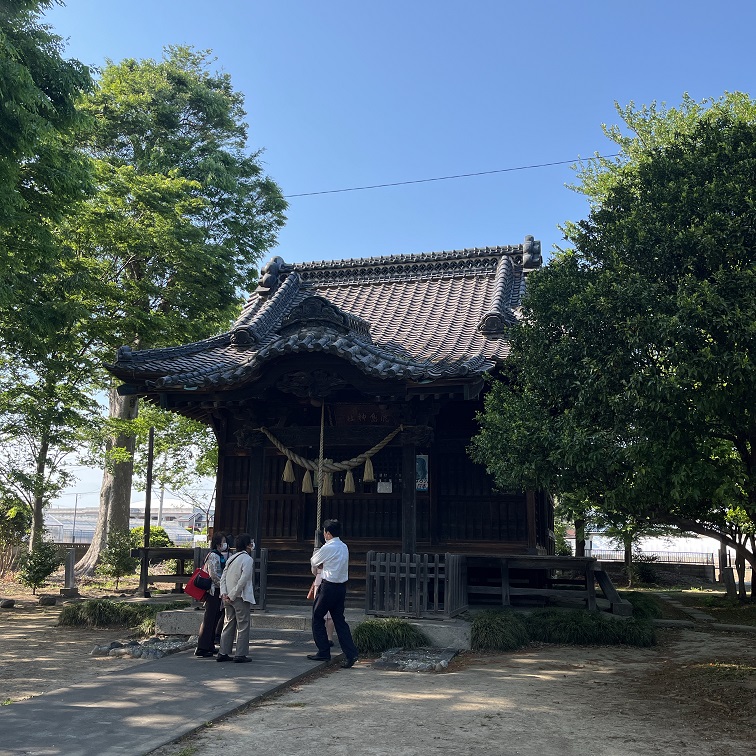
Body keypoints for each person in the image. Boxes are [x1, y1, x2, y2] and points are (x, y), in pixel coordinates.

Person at [307, 519, 359, 668]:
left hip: (328, 586)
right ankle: (351, 653)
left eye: (324, 531)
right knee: (339, 620)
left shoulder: (328, 547)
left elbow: (314, 561)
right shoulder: (344, 546)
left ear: (328, 533)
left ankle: (323, 650)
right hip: (341, 587)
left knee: (317, 616)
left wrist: (321, 560)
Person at [217, 533, 256, 663]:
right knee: (243, 625)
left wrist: (224, 593)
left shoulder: (231, 558)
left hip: (227, 596)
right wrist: (233, 594)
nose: (252, 544)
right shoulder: (247, 560)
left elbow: (223, 577)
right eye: (250, 542)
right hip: (239, 596)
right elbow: (243, 579)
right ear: (247, 545)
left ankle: (223, 651)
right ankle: (240, 654)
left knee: (228, 623)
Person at [194, 532, 229, 657]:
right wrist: (223, 585)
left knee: (214, 618)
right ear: (219, 543)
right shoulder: (213, 556)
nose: (226, 544)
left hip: (217, 590)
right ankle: (202, 647)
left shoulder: (218, 555)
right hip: (214, 590)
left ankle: (209, 645)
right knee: (209, 619)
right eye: (224, 541)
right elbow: (213, 574)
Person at [311, 532, 335, 647]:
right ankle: (330, 637)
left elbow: (313, 570)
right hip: (331, 580)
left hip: (320, 579)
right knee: (330, 613)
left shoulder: (319, 552)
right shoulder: (334, 550)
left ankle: (321, 639)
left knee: (319, 611)